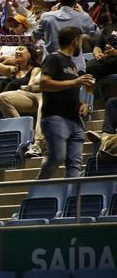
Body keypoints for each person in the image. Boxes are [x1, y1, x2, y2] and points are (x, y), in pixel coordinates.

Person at [38, 27, 94, 179]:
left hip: (75, 119)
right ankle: (36, 194)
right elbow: (44, 84)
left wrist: (82, 104)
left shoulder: (72, 64)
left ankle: (71, 201)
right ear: (75, 41)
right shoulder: (53, 58)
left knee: (75, 165)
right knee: (57, 157)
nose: (81, 45)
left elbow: (69, 90)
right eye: (81, 41)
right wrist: (75, 82)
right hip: (56, 117)